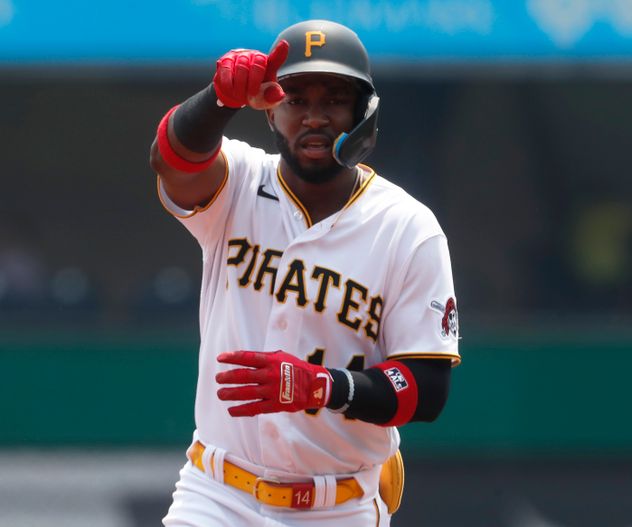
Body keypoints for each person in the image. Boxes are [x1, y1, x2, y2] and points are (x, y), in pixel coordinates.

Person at [149, 19, 460, 526]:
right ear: (272, 112)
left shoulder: (407, 227)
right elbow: (172, 161)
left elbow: (426, 389)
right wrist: (219, 99)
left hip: (337, 506)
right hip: (218, 495)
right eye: (296, 100)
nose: (314, 118)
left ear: (364, 113)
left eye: (333, 99)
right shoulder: (240, 182)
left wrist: (325, 387)